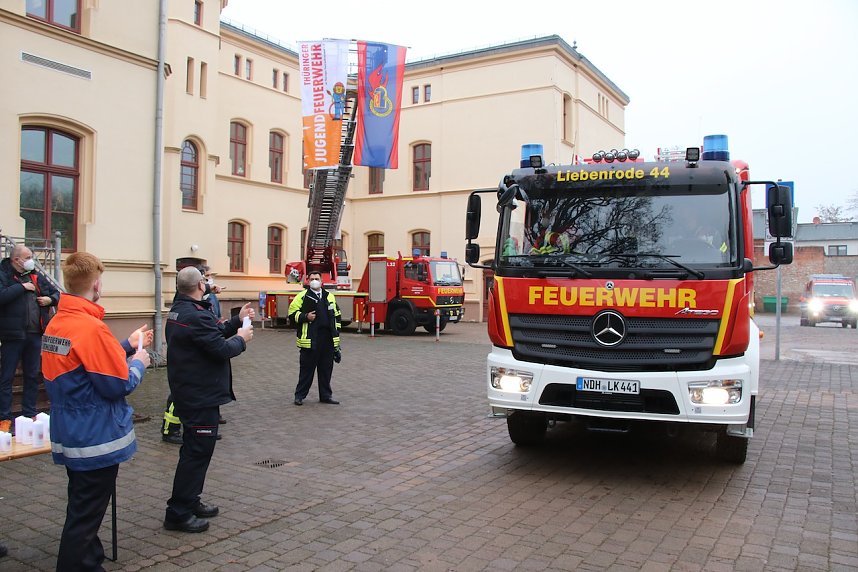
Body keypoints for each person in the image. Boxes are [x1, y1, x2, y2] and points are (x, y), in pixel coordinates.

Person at [40, 251, 152, 572]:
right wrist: (138, 364)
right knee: (85, 515)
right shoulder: (91, 327)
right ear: (97, 284)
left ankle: (90, 560)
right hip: (96, 436)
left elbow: (82, 368)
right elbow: (116, 384)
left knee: (82, 505)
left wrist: (127, 345)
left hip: (70, 432)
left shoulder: (58, 323)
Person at [163, 266, 253, 533]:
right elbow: (220, 348)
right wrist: (241, 339)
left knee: (196, 451)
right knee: (196, 453)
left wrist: (237, 320)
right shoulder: (195, 315)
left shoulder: (182, 310)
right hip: (199, 395)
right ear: (200, 286)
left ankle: (190, 500)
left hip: (191, 391)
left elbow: (212, 333)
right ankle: (178, 512)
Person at [161, 265, 226, 444]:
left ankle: (203, 428)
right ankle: (169, 429)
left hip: (189, 363)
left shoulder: (189, 297)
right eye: (206, 278)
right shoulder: (186, 304)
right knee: (176, 400)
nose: (208, 281)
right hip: (185, 366)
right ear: (198, 282)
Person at [0, 244, 60, 433]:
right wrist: (21, 287)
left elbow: (56, 292)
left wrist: (50, 300)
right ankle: (4, 417)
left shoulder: (35, 274)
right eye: (27, 257)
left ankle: (29, 412)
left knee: (32, 375)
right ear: (16, 260)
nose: (31, 260)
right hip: (12, 335)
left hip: (34, 334)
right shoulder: (4, 274)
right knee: (6, 378)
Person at [288, 271, 342, 406]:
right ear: (307, 281)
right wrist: (305, 317)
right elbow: (291, 314)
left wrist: (336, 334)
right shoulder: (302, 296)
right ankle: (299, 396)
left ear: (321, 281)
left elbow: (337, 316)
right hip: (310, 339)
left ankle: (326, 396)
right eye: (312, 279)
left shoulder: (329, 296)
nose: (314, 281)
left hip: (327, 339)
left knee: (326, 370)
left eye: (316, 279)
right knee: (306, 370)